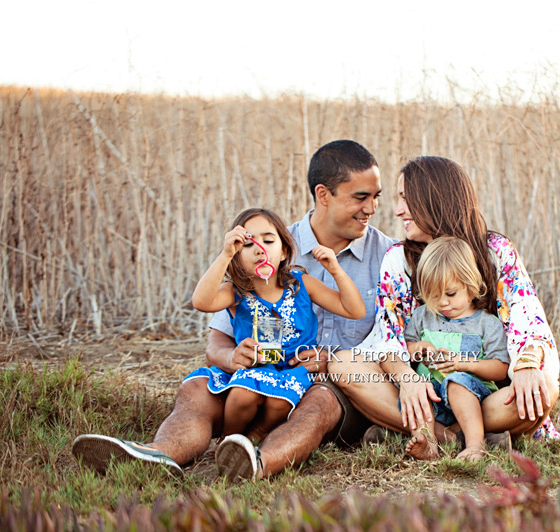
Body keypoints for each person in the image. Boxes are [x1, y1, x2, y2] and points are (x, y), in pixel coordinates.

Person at [72, 140, 396, 480]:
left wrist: (336, 360)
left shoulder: (388, 256)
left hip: (335, 386)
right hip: (260, 376)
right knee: (196, 390)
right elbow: (216, 343)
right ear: (323, 194)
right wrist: (232, 358)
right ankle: (156, 456)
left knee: (321, 402)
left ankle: (254, 463)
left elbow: (396, 339)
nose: (372, 207)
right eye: (361, 197)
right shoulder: (267, 247)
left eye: (377, 196)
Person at [329, 155, 560, 453]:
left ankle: (438, 432)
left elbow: (526, 317)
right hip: (424, 392)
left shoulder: (495, 252)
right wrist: (408, 380)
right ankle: (451, 435)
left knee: (546, 387)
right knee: (341, 363)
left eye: (405, 199)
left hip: (481, 393)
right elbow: (388, 337)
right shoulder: (399, 260)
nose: (398, 210)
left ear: (433, 200)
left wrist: (529, 365)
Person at [186, 207, 364, 473]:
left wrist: (336, 270)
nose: (259, 248)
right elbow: (201, 302)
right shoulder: (236, 292)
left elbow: (354, 310)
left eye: (268, 241)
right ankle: (228, 440)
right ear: (237, 255)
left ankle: (257, 436)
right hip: (254, 369)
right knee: (242, 395)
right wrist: (225, 254)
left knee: (280, 401)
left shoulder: (302, 284)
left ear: (283, 252)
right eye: (248, 244)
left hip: (294, 369)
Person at [403, 236, 510, 462]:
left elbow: (500, 368)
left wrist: (462, 364)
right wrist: (418, 348)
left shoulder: (486, 323)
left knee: (457, 382)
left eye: (451, 294)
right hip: (433, 395)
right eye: (433, 295)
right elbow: (406, 348)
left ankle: (474, 445)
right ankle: (428, 445)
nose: (442, 303)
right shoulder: (423, 316)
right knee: (417, 391)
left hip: (470, 395)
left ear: (470, 286)